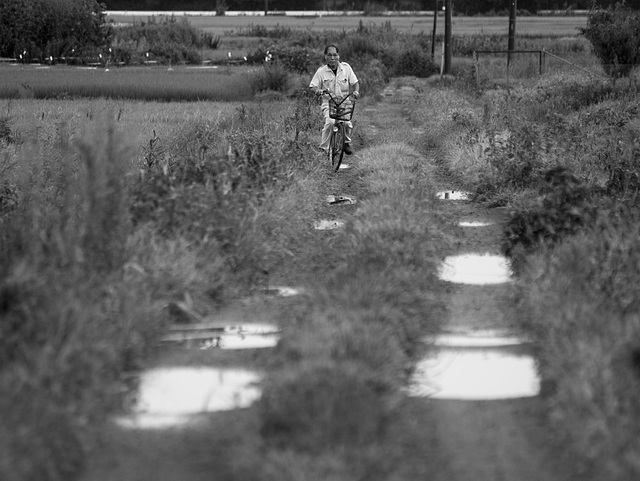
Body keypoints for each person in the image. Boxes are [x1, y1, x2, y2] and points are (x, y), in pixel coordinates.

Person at [309, 44, 360, 155]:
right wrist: (318, 91)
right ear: (325, 57)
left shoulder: (346, 68)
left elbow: (355, 83)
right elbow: (312, 86)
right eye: (329, 55)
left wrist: (356, 92)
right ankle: (324, 148)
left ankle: (346, 143)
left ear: (338, 56)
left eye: (335, 55)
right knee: (331, 122)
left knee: (346, 123)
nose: (332, 58)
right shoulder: (321, 71)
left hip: (344, 101)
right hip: (328, 102)